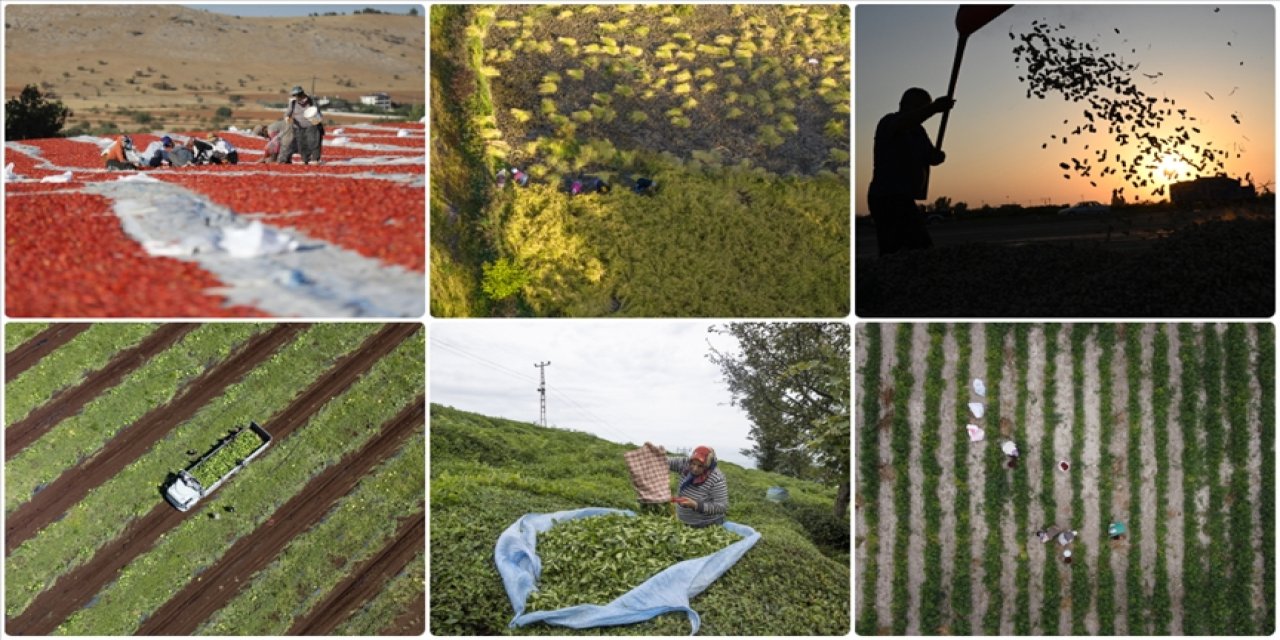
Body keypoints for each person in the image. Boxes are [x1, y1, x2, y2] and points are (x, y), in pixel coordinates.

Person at [867, 87, 955, 255]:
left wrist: (937, 156)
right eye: (921, 107)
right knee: (898, 249)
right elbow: (906, 121)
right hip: (886, 196)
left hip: (904, 196)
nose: (923, 113)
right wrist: (934, 108)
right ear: (906, 105)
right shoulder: (889, 122)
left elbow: (930, 156)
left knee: (917, 247)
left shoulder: (918, 131)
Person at [654, 444, 728, 527]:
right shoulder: (685, 464)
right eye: (693, 464)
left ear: (707, 466)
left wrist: (696, 505)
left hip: (707, 525)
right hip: (683, 522)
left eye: (700, 466)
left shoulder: (716, 478)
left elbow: (721, 507)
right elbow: (664, 462)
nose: (695, 468)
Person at [280, 85, 324, 164]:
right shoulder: (293, 103)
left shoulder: (312, 101)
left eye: (299, 95)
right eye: (295, 96)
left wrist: (315, 118)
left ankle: (315, 159)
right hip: (298, 127)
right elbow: (287, 113)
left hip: (312, 126)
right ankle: (305, 160)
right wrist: (287, 118)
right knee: (302, 144)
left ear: (303, 93)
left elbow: (318, 113)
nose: (297, 97)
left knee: (314, 142)